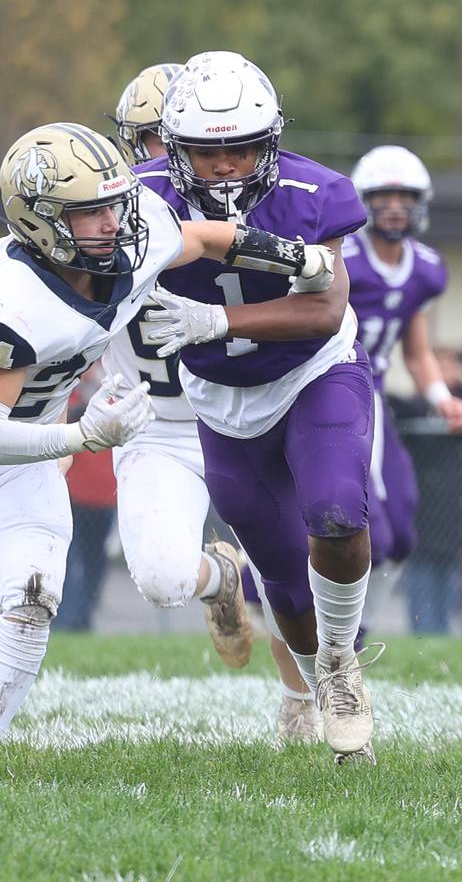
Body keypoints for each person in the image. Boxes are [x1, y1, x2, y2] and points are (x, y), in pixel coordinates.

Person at [0, 120, 334, 734]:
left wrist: (302, 257)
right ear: (38, 221)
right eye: (91, 214)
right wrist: (79, 438)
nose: (114, 224)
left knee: (27, 604)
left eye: (114, 206)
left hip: (29, 466)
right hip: (19, 447)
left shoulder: (131, 241)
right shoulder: (14, 304)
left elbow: (207, 237)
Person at [132, 50, 380, 763]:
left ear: (271, 141)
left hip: (313, 372)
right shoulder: (142, 195)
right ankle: (310, 675)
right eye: (208, 153)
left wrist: (216, 323)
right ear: (175, 150)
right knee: (275, 567)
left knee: (336, 512)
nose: (227, 168)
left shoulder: (314, 191)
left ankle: (338, 665)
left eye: (242, 147)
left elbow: (326, 311)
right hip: (219, 399)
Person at [103, 62, 315, 735]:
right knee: (163, 580)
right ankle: (220, 578)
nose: (177, 164)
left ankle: (303, 698)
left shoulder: (263, 210)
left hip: (249, 410)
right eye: (154, 144)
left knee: (292, 563)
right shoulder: (107, 219)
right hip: (154, 425)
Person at [343, 145, 462, 568]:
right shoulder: (343, 260)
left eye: (405, 198)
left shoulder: (425, 270)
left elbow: (416, 353)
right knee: (365, 529)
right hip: (330, 395)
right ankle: (275, 600)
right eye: (383, 197)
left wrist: (441, 398)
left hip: (374, 399)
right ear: (364, 202)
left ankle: (360, 633)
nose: (395, 208)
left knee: (398, 533)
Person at [389, 349, 462, 633]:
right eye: (439, 367)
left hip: (457, 508)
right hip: (424, 506)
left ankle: (445, 630)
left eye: (450, 367)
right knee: (422, 570)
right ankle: (423, 630)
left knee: (450, 572)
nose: (446, 373)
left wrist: (458, 395)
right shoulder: (414, 406)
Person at [54, 371, 120, 632]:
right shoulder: (71, 391)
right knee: (70, 559)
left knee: (95, 559)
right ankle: (66, 618)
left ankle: (83, 616)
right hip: (74, 493)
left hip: (104, 496)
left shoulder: (114, 392)